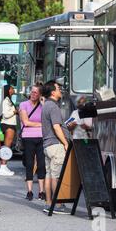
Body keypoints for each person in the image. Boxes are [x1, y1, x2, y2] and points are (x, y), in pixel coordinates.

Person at [41, 80, 71, 214]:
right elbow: (56, 127)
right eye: (58, 88)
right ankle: (58, 205)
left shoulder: (45, 105)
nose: (60, 90)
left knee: (49, 175)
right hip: (55, 145)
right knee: (56, 175)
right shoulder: (53, 107)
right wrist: (65, 142)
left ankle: (48, 203)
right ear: (53, 92)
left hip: (47, 145)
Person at [19, 84, 46, 201]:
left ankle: (41, 191)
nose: (33, 94)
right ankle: (29, 191)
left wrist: (44, 104)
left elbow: (47, 118)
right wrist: (41, 124)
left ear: (40, 94)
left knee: (42, 165)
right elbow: (26, 122)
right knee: (29, 164)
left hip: (41, 137)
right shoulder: (23, 105)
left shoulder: (42, 106)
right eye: (32, 92)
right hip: (28, 137)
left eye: (36, 92)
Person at [0, 85, 17, 176]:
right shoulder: (6, 100)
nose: (13, 89)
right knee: (7, 146)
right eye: (12, 88)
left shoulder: (8, 99)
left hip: (10, 124)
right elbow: (5, 114)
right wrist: (15, 111)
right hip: (8, 124)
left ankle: (4, 166)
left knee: (7, 146)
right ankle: (2, 166)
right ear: (8, 90)